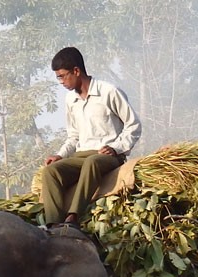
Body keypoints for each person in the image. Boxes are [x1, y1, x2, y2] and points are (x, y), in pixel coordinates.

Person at [38, 46, 142, 227]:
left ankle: (74, 216)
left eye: (62, 76)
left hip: (107, 156)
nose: (60, 82)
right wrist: (60, 155)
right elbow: (73, 136)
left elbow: (133, 125)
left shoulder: (108, 92)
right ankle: (53, 224)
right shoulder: (70, 100)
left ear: (76, 71)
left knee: (92, 161)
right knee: (50, 171)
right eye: (58, 77)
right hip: (81, 155)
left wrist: (116, 148)